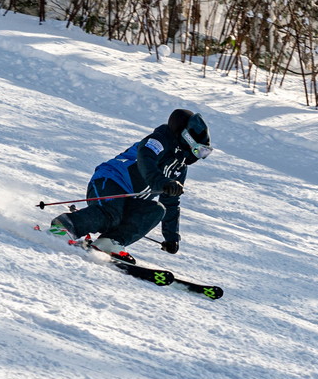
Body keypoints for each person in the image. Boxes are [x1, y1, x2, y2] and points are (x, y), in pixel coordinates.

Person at [49, 109, 213, 263]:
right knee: (111, 213)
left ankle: (109, 242)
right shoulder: (158, 140)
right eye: (199, 150)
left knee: (157, 210)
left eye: (204, 153)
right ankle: (65, 225)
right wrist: (162, 182)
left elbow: (171, 202)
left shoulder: (179, 168)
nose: (199, 156)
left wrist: (171, 237)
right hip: (110, 181)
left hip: (130, 200)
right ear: (187, 138)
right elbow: (145, 158)